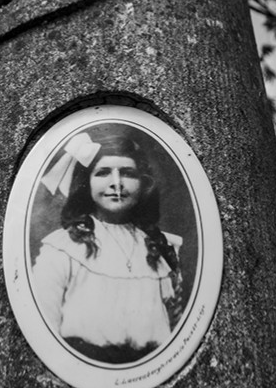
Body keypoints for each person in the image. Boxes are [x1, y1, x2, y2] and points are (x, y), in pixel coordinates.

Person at [32, 127, 184, 364]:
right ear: (86, 182)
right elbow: (42, 333)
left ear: (143, 184)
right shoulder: (62, 248)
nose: (116, 183)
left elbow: (177, 334)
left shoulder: (161, 248)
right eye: (103, 173)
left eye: (127, 173)